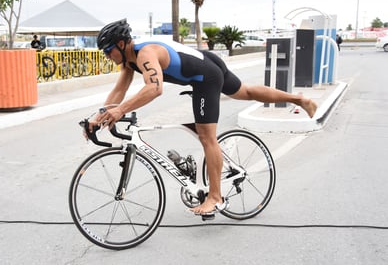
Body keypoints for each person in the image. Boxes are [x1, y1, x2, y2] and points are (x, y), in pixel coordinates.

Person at [93, 19, 317, 216]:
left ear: (122, 44)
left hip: (205, 77)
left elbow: (155, 87)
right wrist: (98, 117)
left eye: (108, 50)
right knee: (246, 92)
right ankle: (298, 99)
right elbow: (118, 91)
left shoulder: (145, 54)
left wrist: (120, 111)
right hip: (205, 61)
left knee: (207, 137)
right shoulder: (128, 61)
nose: (107, 55)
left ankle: (216, 197)